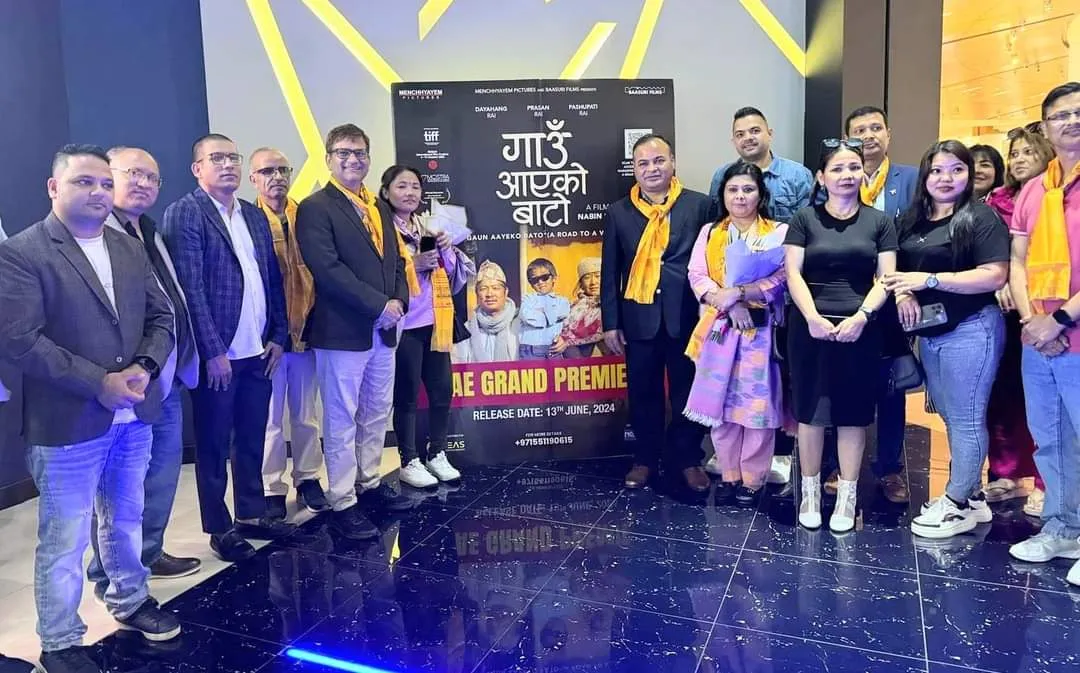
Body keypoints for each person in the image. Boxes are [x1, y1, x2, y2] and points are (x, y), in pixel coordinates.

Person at [0, 144, 180, 673]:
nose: (98, 192)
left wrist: (145, 366)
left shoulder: (127, 246)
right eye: (84, 182)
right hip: (67, 421)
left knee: (125, 517)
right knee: (65, 537)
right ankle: (60, 640)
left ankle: (129, 599)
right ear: (53, 187)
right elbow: (21, 340)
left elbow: (162, 315)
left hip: (133, 413)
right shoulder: (23, 253)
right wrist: (98, 383)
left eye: (104, 183)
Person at [163, 133, 292, 563]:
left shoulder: (253, 215)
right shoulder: (186, 212)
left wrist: (278, 335)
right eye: (216, 158)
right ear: (197, 168)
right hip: (218, 355)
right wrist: (211, 350)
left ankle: (252, 514)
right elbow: (190, 288)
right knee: (214, 445)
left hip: (259, 349)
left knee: (251, 437)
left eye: (233, 158)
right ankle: (219, 528)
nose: (228, 165)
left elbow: (271, 279)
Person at [86, 147, 203, 595]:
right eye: (133, 173)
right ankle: (108, 572)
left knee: (160, 476)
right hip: (126, 382)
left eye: (152, 178)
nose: (143, 183)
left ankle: (148, 553)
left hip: (164, 379)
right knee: (118, 488)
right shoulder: (96, 233)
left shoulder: (149, 230)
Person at [295, 124, 415, 541]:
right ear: (329, 159)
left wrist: (398, 301)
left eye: (360, 152)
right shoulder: (315, 208)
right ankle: (343, 500)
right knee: (341, 419)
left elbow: (396, 262)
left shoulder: (378, 206)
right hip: (343, 332)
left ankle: (370, 483)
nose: (353, 159)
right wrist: (379, 305)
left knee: (376, 412)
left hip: (384, 332)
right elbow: (327, 270)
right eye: (343, 153)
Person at [885, 140, 1009, 538]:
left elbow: (994, 275)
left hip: (971, 329)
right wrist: (903, 293)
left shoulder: (980, 217)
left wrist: (931, 281)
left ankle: (956, 505)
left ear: (968, 174)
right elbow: (893, 269)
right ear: (925, 175)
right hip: (931, 334)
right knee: (951, 415)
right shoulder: (912, 219)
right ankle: (972, 495)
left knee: (966, 417)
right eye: (937, 170)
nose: (945, 178)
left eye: (956, 169)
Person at [784, 138, 897, 533]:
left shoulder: (879, 221)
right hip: (809, 327)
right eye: (837, 168)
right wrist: (812, 317)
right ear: (821, 177)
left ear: (862, 173)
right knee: (811, 413)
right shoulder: (804, 219)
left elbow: (886, 277)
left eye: (853, 167)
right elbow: (792, 272)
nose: (847, 175)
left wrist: (863, 317)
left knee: (853, 414)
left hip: (861, 329)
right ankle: (810, 493)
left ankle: (848, 497)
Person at [600, 133, 717, 492]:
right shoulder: (619, 212)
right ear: (634, 169)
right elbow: (610, 271)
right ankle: (645, 459)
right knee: (643, 392)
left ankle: (688, 459)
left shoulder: (701, 205)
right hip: (639, 317)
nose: (652, 169)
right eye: (643, 163)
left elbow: (714, 261)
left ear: (673, 162)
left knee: (688, 392)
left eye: (658, 160)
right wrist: (611, 323)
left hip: (687, 316)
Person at [817, 105, 920, 505]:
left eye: (876, 127)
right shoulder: (832, 178)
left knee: (890, 388)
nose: (869, 135)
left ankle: (889, 468)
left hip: (892, 300)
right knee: (837, 386)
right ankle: (835, 466)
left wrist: (905, 289)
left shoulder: (910, 180)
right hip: (841, 303)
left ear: (889, 134)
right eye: (860, 130)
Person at [1006, 82, 1080, 587]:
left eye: (1079, 113)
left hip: (1072, 334)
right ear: (1046, 127)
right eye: (1060, 115)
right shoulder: (1037, 188)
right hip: (1038, 339)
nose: (1071, 121)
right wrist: (1033, 320)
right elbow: (1018, 259)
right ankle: (1063, 528)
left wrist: (1061, 320)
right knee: (1050, 440)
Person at [684, 161, 788, 506]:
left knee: (756, 407)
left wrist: (743, 293)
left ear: (761, 194)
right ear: (723, 194)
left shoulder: (778, 233)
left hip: (761, 333)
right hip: (719, 330)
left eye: (748, 189)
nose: (740, 196)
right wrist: (728, 302)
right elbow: (697, 274)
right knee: (722, 404)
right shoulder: (710, 232)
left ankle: (753, 479)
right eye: (733, 189)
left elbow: (783, 278)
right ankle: (729, 475)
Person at [380, 164, 473, 489]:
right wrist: (413, 264)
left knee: (442, 391)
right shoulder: (381, 230)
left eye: (415, 187)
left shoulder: (427, 226)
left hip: (437, 322)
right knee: (406, 395)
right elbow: (379, 272)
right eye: (401, 186)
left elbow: (452, 275)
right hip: (405, 324)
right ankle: (409, 460)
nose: (409, 193)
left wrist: (446, 248)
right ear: (386, 192)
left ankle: (438, 453)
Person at [249, 147, 329, 520]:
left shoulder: (306, 216)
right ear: (253, 178)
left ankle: (308, 478)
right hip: (266, 337)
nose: (277, 177)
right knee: (269, 417)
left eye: (283, 170)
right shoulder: (247, 220)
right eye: (268, 171)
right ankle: (271, 487)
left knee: (306, 413)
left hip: (306, 329)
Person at [984, 126, 1054, 512]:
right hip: (1008, 311)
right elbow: (994, 252)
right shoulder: (997, 200)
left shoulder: (1059, 195)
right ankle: (1006, 473)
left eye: (1028, 152)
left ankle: (1048, 483)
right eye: (1014, 154)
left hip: (1054, 307)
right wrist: (1001, 282)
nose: (1019, 159)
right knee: (1006, 392)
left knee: (1048, 401)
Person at [708, 106, 813, 223]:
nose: (748, 138)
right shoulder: (722, 175)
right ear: (734, 141)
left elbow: (807, 224)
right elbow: (715, 222)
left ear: (770, 134)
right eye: (740, 134)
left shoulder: (797, 175)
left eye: (755, 131)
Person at [455, 260, 520, 363]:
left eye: (495, 288)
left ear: (506, 292)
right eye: (483, 289)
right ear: (477, 294)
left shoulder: (520, 324)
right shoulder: (467, 329)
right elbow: (458, 365)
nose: (489, 294)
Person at [518, 258, 571, 359]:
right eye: (535, 280)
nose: (540, 282)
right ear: (531, 283)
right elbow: (526, 316)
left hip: (553, 348)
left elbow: (563, 313)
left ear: (554, 278)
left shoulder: (562, 301)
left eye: (544, 277)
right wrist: (550, 317)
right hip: (529, 349)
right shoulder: (528, 298)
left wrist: (540, 313)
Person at [558, 257, 607, 358]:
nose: (593, 282)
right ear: (581, 284)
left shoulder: (615, 304)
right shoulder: (573, 307)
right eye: (587, 277)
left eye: (598, 276)